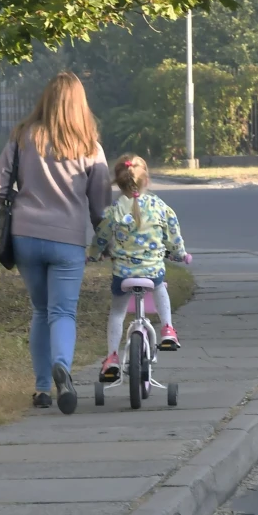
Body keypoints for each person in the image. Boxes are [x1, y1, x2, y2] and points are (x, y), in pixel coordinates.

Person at [0, 72, 111, 414]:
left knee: (41, 310)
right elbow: (100, 207)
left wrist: (21, 203)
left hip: (25, 236)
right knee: (62, 312)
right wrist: (104, 242)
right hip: (68, 241)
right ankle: (63, 369)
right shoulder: (90, 146)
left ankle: (42, 388)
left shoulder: (23, 137)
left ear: (46, 99)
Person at [88, 154, 190, 383]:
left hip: (123, 274)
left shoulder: (113, 210)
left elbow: (101, 237)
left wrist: (92, 255)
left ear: (119, 181)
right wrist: (180, 254)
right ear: (147, 179)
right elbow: (173, 235)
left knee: (117, 312)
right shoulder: (160, 207)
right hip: (152, 272)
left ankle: (112, 358)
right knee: (160, 286)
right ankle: (167, 330)